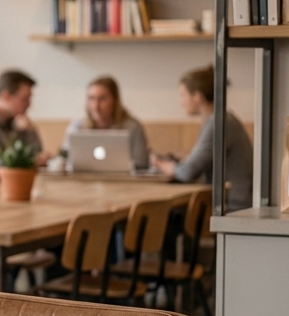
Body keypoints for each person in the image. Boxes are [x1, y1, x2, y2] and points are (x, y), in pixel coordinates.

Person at [152, 65, 253, 212]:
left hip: (234, 206)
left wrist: (161, 164)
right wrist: (187, 156)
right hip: (233, 201)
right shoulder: (222, 118)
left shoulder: (218, 122)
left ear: (197, 97)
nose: (181, 101)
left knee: (167, 215)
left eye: (183, 95)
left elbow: (189, 172)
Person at [64, 75, 151, 170]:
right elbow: (64, 158)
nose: (96, 106)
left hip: (123, 182)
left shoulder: (133, 128)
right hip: (84, 181)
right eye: (91, 98)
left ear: (115, 100)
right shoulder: (77, 127)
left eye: (102, 99)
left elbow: (141, 163)